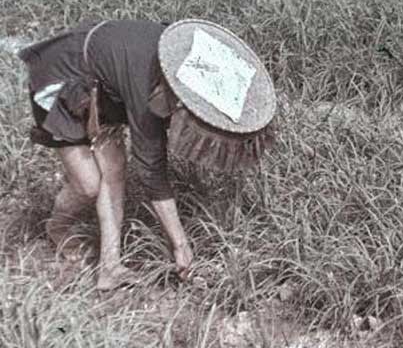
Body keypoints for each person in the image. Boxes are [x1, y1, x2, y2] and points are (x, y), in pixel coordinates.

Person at [18, 19, 276, 290]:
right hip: (62, 76)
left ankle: (110, 268)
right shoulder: (145, 86)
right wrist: (180, 246)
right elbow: (152, 172)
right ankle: (57, 227)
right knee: (88, 185)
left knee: (115, 170)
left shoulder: (180, 57)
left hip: (102, 82)